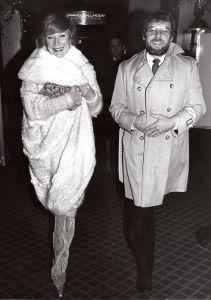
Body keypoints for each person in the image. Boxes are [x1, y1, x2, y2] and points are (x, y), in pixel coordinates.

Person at [109, 10, 206, 294]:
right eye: (153, 30)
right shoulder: (127, 68)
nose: (158, 35)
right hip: (136, 147)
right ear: (144, 34)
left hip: (165, 148)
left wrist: (170, 123)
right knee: (135, 216)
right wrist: (133, 121)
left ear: (171, 36)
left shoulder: (186, 66)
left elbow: (198, 107)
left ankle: (145, 271)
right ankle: (143, 262)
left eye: (164, 30)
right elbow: (116, 108)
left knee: (143, 213)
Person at [18, 13, 102, 297]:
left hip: (75, 146)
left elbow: (97, 106)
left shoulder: (82, 66)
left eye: (62, 36)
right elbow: (33, 109)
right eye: (51, 36)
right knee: (60, 209)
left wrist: (90, 95)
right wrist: (66, 99)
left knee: (67, 209)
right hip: (46, 147)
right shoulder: (35, 67)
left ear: (71, 37)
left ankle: (59, 270)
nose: (56, 42)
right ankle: (60, 267)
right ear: (44, 38)